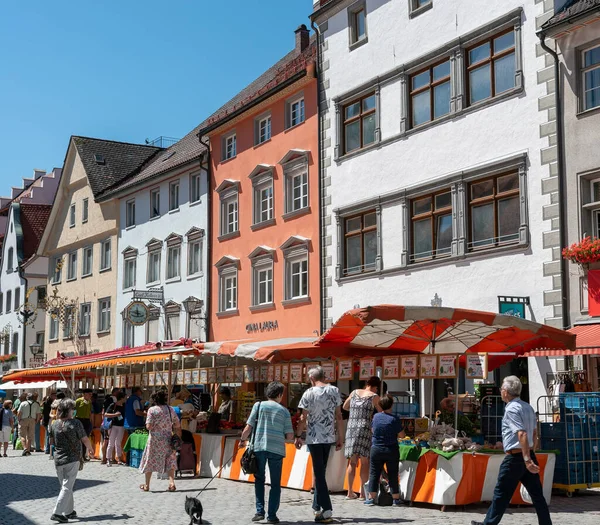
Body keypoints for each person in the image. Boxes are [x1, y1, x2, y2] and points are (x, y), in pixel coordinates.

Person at [471, 376, 551, 525]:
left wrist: (526, 458)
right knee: (537, 495)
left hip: (516, 457)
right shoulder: (527, 406)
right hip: (526, 454)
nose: (501, 391)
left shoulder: (511, 409)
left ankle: (488, 523)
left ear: (506, 392)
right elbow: (534, 433)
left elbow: (522, 433)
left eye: (502, 388)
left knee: (501, 493)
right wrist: (530, 453)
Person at [294, 366, 343, 524]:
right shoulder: (334, 391)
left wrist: (298, 435)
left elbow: (303, 418)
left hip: (314, 438)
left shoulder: (308, 393)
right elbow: (339, 416)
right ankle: (316, 506)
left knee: (319, 473)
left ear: (312, 378)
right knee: (321, 470)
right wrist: (340, 436)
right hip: (329, 437)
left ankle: (327, 508)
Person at [240, 382, 294, 524]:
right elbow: (289, 436)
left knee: (259, 480)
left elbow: (248, 427)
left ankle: (259, 511)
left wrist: (242, 440)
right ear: (280, 395)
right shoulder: (284, 411)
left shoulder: (258, 406)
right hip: (276, 450)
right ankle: (272, 516)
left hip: (259, 448)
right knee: (275, 484)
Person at [48, 398, 94, 523]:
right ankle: (57, 513)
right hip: (72, 459)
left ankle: (69, 511)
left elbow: (51, 442)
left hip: (58, 460)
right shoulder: (76, 423)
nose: (74, 411)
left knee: (65, 486)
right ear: (69, 410)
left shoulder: (54, 424)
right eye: (73, 409)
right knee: (67, 487)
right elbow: (84, 439)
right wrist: (90, 449)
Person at [344, 376, 382, 500]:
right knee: (364, 462)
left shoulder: (354, 392)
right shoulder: (374, 397)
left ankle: (349, 492)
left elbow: (345, 406)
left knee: (352, 461)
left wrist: (355, 410)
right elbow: (381, 413)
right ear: (376, 387)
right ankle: (362, 493)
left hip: (351, 429)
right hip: (364, 429)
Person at [364, 394, 405, 507]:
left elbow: (373, 430)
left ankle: (371, 498)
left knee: (374, 473)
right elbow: (402, 435)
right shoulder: (394, 419)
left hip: (376, 448)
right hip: (391, 449)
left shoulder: (376, 417)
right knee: (392, 473)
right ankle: (395, 498)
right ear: (391, 405)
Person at [138, 390, 180, 492]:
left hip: (155, 440)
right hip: (167, 438)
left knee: (150, 460)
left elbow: (148, 426)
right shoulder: (170, 410)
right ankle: (171, 483)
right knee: (170, 460)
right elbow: (177, 424)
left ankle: (147, 485)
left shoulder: (152, 410)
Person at [104, 391, 127, 466]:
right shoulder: (113, 405)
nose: (125, 399)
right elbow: (106, 414)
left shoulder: (124, 406)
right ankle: (108, 459)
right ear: (122, 398)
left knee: (118, 443)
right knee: (111, 443)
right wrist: (115, 415)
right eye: (125, 397)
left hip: (121, 426)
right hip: (113, 426)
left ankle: (119, 459)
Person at [101, 388, 120, 464]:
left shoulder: (106, 400)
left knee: (106, 441)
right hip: (110, 423)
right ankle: (111, 458)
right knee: (109, 442)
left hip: (105, 423)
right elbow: (105, 413)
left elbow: (103, 412)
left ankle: (104, 458)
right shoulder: (113, 401)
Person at [74, 389, 93, 460]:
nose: (90, 396)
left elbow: (90, 412)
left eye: (90, 394)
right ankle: (78, 455)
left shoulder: (89, 402)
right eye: (89, 394)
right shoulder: (78, 401)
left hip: (87, 421)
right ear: (84, 394)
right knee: (78, 438)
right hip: (79, 419)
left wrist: (91, 421)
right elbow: (74, 410)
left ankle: (83, 455)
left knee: (85, 438)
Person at [49, 392, 66, 459]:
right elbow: (58, 416)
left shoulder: (53, 404)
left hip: (52, 422)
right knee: (58, 438)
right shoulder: (61, 404)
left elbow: (50, 414)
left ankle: (51, 454)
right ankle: (58, 453)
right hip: (59, 422)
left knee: (51, 438)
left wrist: (53, 416)